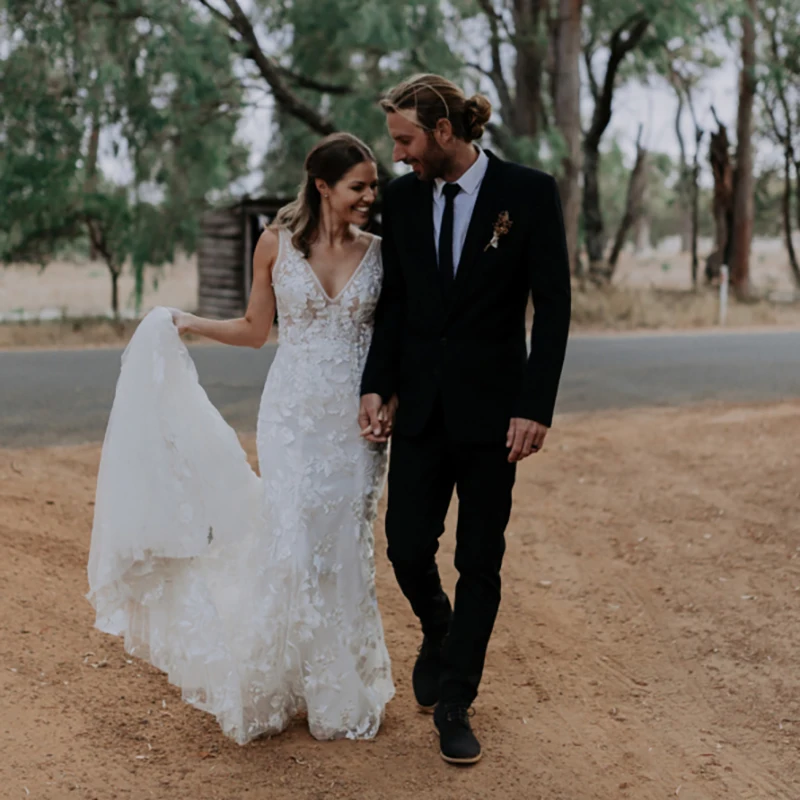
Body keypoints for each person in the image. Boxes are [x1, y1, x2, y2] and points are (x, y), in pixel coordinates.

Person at [87, 132, 395, 744]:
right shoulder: (274, 245)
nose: (370, 196)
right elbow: (257, 330)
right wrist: (187, 322)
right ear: (323, 186)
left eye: (374, 186)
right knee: (293, 538)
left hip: (355, 422)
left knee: (342, 543)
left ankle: (338, 687)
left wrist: (388, 399)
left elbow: (394, 342)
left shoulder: (384, 252)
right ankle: (276, 680)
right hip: (290, 416)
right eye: (359, 186)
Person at [359, 74, 572, 765]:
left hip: (493, 415)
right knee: (404, 545)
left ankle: (455, 702)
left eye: (406, 140)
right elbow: (395, 305)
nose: (398, 155)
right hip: (421, 408)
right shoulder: (400, 200)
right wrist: (377, 385)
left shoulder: (529, 193)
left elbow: (554, 306)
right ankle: (437, 626)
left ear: (444, 131)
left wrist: (534, 406)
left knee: (479, 559)